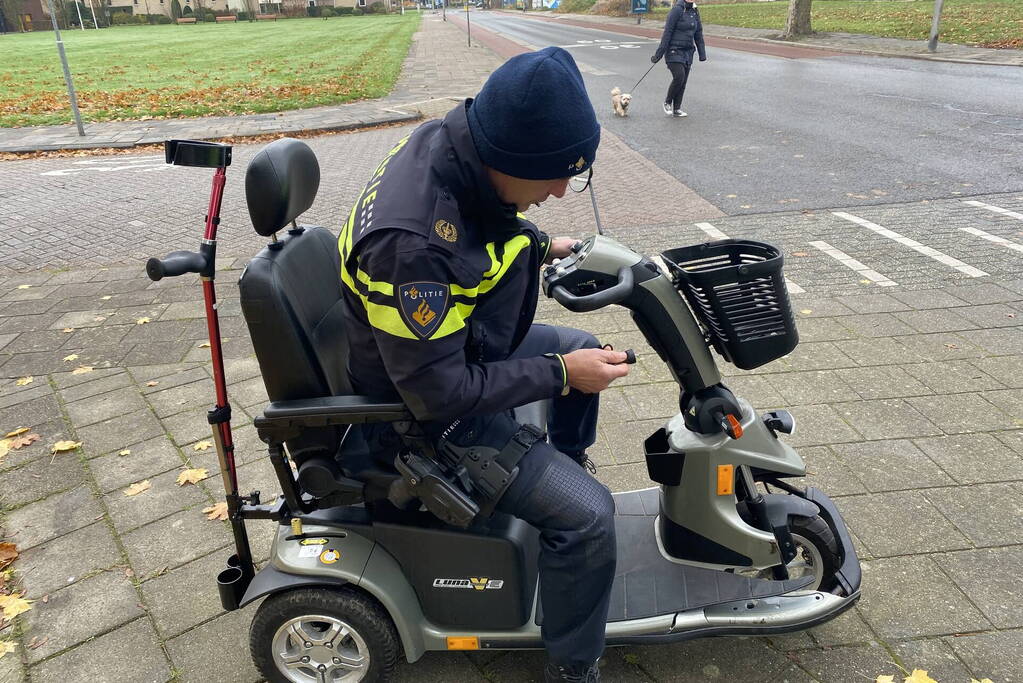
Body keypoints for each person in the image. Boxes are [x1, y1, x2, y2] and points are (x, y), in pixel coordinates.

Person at [338, 47, 629, 682]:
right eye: (554, 176)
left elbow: (479, 225)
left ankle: (563, 470)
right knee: (590, 515)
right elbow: (438, 394)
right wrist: (558, 374)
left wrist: (540, 241)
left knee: (582, 343)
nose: (559, 190)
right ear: (509, 158)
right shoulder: (411, 245)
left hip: (458, 348)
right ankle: (573, 667)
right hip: (419, 416)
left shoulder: (455, 142)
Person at [651, 0, 707, 118]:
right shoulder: (677, 10)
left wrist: (702, 53)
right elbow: (668, 32)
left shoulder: (694, 11)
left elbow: (698, 33)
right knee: (679, 76)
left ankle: (677, 108)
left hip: (688, 51)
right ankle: (667, 102)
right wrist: (659, 54)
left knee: (683, 81)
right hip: (673, 50)